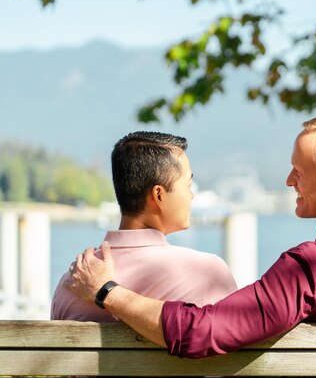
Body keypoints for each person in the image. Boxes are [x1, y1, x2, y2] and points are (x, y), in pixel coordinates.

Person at [66, 115, 316, 357]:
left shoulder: (311, 268)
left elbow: (200, 332)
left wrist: (106, 292)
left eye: (299, 172)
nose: (288, 181)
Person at [52, 131, 237, 321]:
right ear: (159, 195)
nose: (192, 195)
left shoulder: (72, 283)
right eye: (188, 185)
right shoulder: (208, 274)